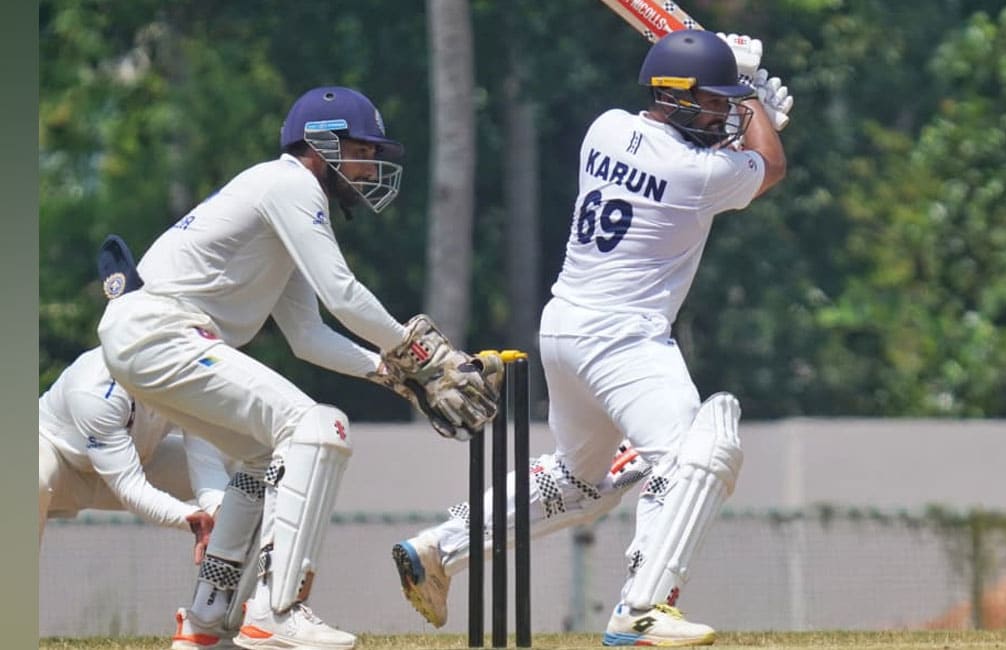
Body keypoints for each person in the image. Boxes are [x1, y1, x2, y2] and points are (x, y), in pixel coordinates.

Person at [391, 30, 790, 646]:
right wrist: (757, 111)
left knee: (582, 484)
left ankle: (438, 550)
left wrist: (737, 111)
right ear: (678, 97)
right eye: (714, 101)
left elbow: (732, 156)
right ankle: (644, 605)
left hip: (565, 328)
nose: (723, 113)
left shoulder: (603, 128)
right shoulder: (693, 170)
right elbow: (772, 166)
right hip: (624, 339)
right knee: (695, 455)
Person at [96, 85, 493, 650]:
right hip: (160, 331)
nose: (371, 165)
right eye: (362, 150)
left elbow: (308, 336)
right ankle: (277, 609)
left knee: (262, 461)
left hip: (146, 338)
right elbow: (343, 294)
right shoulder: (291, 183)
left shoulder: (282, 202)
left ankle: (206, 620)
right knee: (317, 427)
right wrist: (424, 356)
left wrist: (389, 372)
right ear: (321, 144)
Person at [38, 345, 229, 549]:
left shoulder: (189, 370)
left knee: (240, 463)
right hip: (59, 461)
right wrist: (191, 519)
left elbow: (207, 464)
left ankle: (258, 570)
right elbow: (129, 485)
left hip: (133, 461)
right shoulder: (94, 387)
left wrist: (218, 510)